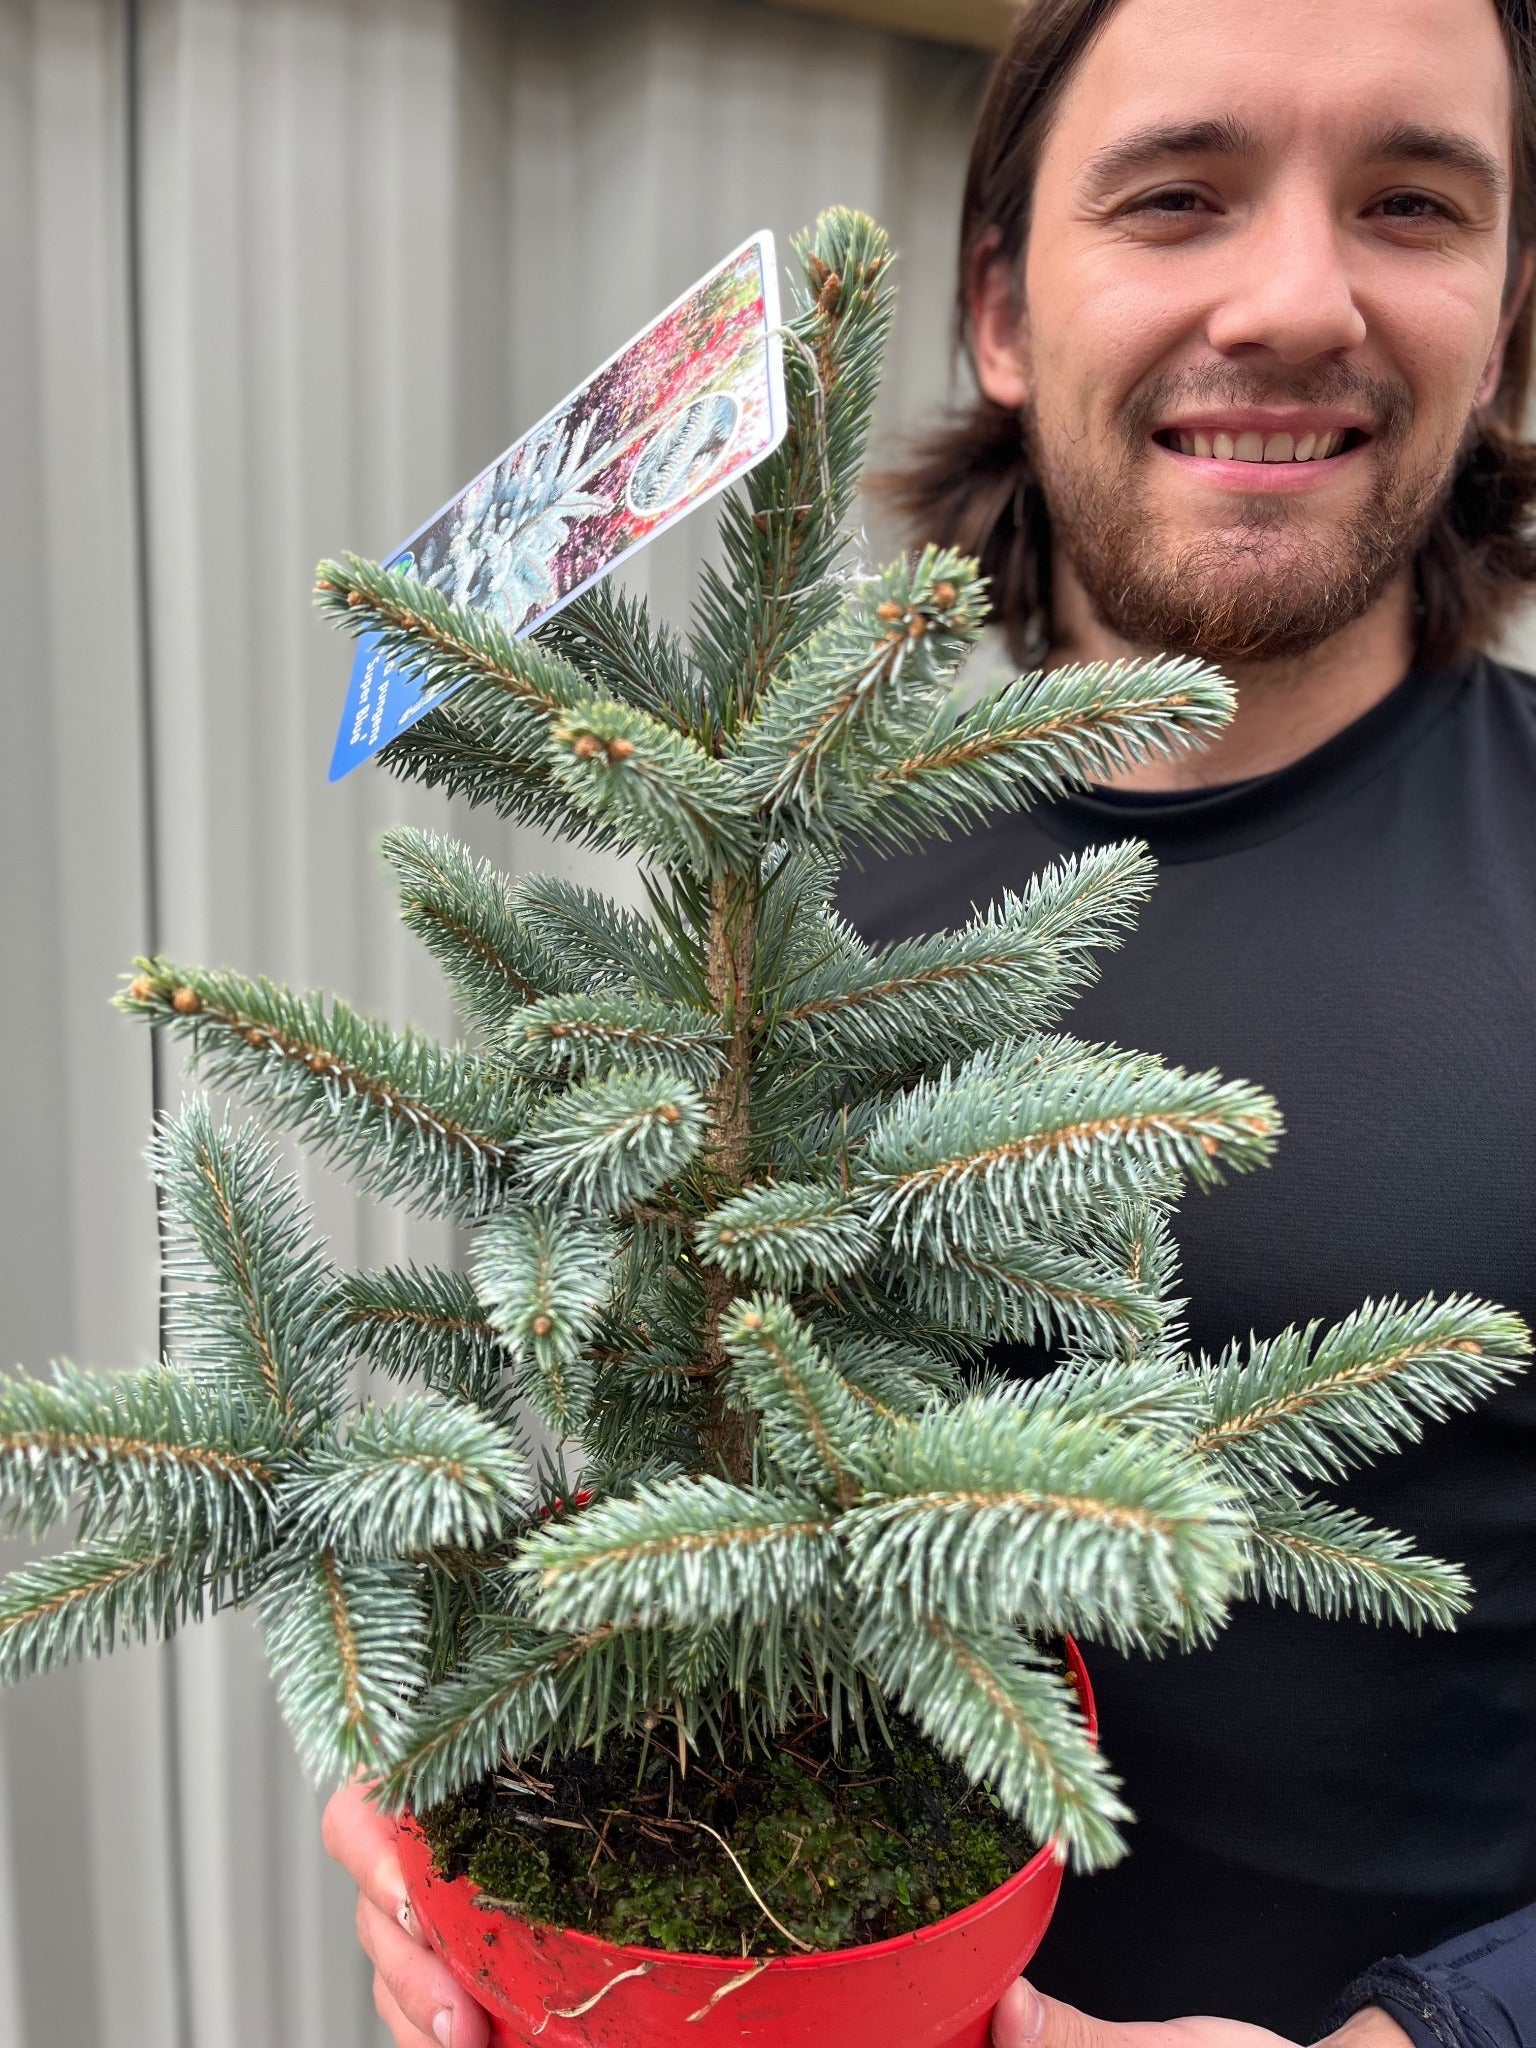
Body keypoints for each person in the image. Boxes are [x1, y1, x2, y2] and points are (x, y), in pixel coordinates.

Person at [324, 0, 1536, 2042]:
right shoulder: (777, 926)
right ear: (999, 308)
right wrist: (457, 1760)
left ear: (1504, 318)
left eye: (1411, 202)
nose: (1295, 297)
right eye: (1181, 195)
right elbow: (653, 1493)